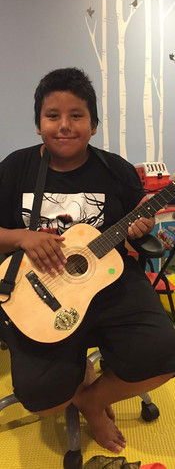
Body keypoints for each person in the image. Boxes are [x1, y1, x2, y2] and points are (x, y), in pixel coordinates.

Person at [0, 67, 175, 454]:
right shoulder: (16, 168)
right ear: (38, 124)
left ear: (93, 124)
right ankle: (77, 379)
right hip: (40, 293)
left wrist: (143, 227)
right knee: (43, 400)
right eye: (52, 116)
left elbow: (141, 226)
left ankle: (93, 401)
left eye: (76, 116)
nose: (64, 126)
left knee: (166, 351)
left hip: (109, 285)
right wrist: (22, 237)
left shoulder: (117, 170)